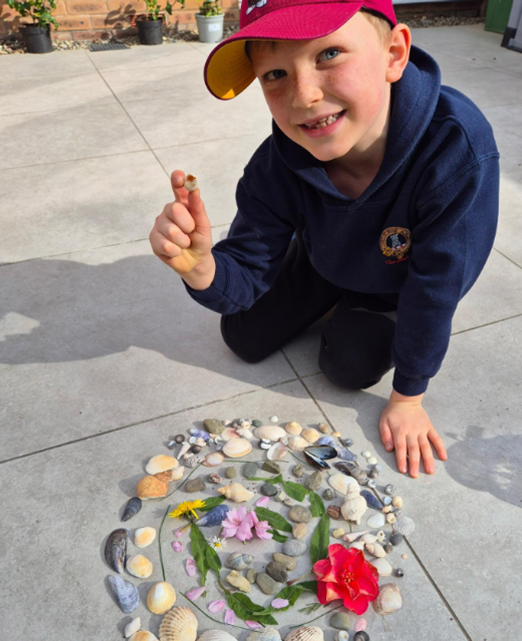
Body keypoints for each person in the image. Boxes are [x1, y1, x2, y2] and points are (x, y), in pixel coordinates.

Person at [148, 0, 500, 479]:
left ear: (394, 54)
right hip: (324, 256)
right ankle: (327, 282)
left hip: (397, 283)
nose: (304, 96)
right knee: (242, 335)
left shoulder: (455, 148)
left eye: (329, 54)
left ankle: (357, 307)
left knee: (348, 368)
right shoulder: (276, 163)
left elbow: (437, 287)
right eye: (275, 74)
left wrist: (408, 396)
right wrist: (202, 268)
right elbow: (246, 265)